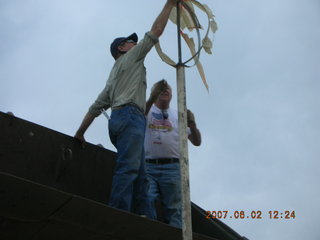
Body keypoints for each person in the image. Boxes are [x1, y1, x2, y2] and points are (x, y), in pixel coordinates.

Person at [74, 0, 177, 217]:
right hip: (130, 118)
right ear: (122, 48)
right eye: (131, 42)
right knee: (129, 169)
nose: (135, 43)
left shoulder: (112, 78)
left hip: (119, 120)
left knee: (140, 176)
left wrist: (80, 132)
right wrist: (169, 4)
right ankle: (117, 215)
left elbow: (94, 108)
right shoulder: (132, 57)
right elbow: (156, 31)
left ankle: (146, 219)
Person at [144, 80, 201, 228]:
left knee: (174, 209)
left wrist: (193, 126)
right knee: (146, 199)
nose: (165, 90)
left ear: (171, 95)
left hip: (173, 168)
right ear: (155, 93)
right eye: (161, 89)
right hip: (149, 166)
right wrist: (151, 98)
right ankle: (150, 232)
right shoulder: (147, 111)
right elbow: (138, 114)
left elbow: (197, 141)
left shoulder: (178, 116)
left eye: (167, 89)